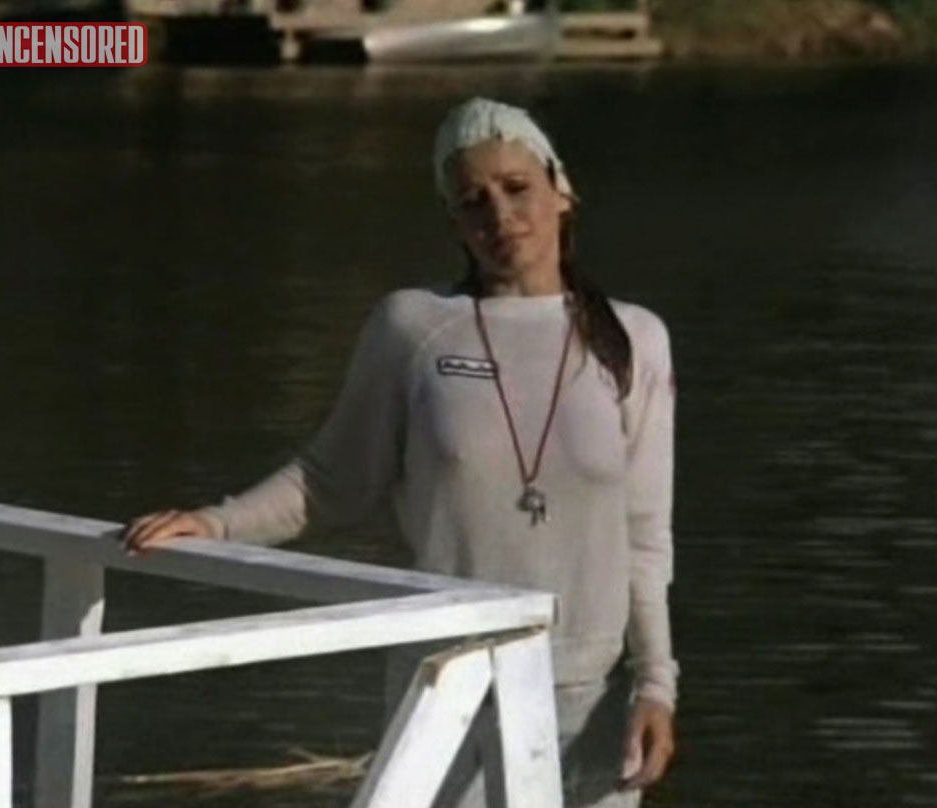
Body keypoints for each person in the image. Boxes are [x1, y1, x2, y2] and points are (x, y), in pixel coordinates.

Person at [123, 97, 678, 807]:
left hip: (588, 701)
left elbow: (644, 539)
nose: (500, 215)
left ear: (561, 191)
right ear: (454, 222)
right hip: (448, 683)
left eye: (517, 188)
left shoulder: (633, 341)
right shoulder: (413, 327)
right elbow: (328, 481)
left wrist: (656, 684)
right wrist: (217, 522)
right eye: (473, 201)